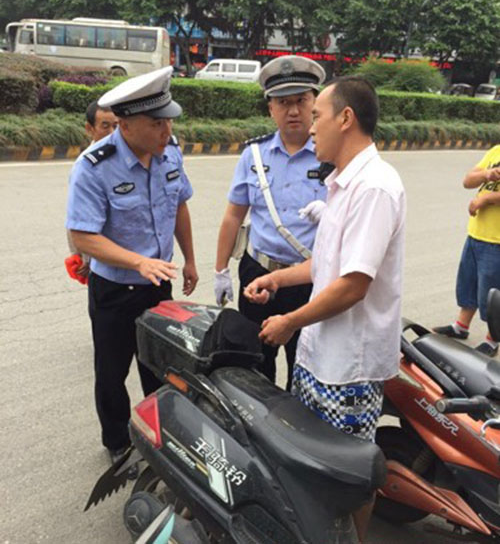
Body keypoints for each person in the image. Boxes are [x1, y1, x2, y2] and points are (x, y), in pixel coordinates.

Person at [244, 76, 406, 543]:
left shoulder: (374, 188)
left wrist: (290, 321)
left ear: (346, 118)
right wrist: (277, 278)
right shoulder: (343, 182)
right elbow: (327, 265)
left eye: (317, 115)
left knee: (347, 476)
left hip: (347, 367)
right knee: (313, 462)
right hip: (320, 356)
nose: (311, 126)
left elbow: (353, 285)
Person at [66, 67, 198, 476]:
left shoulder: (170, 151)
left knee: (159, 368)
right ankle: (119, 443)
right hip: (115, 290)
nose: (166, 130)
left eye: (169, 121)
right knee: (112, 371)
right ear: (125, 125)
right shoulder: (94, 166)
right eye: (157, 123)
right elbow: (82, 235)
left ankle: (159, 435)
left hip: (157, 286)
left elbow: (179, 205)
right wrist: (136, 260)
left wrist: (190, 258)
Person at [214, 55, 327, 390]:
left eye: (301, 101)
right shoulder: (254, 155)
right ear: (270, 109)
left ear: (314, 104)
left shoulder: (330, 154)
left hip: (308, 277)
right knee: (254, 361)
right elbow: (234, 214)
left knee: (303, 363)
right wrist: (220, 270)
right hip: (258, 273)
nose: (293, 111)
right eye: (283, 103)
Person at [433, 147, 500, 356]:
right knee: (468, 283)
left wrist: (485, 199)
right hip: (477, 234)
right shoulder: (496, 151)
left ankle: (493, 339)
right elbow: (468, 181)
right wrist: (486, 174)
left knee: (492, 293)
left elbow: (482, 195)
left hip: (497, 239)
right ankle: (461, 326)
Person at [65, 101, 119, 283]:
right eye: (105, 126)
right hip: (101, 261)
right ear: (90, 128)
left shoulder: (127, 156)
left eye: (116, 125)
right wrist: (82, 257)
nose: (112, 132)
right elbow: (76, 217)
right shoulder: (85, 167)